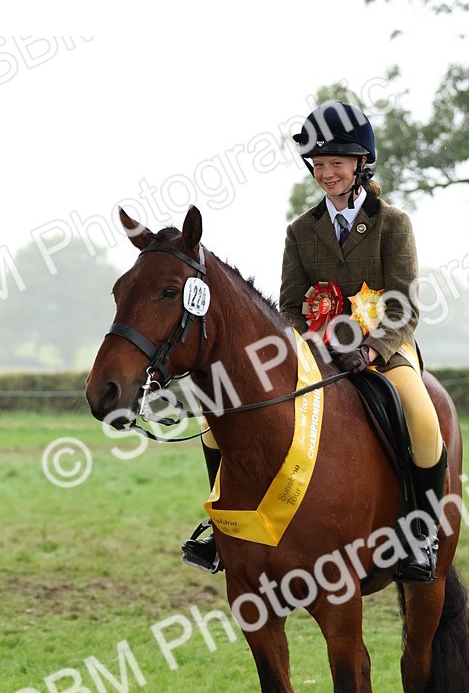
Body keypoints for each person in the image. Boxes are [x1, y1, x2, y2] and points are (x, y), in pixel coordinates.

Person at [182, 100, 447, 583]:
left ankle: (422, 531)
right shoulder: (301, 231)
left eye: (336, 164)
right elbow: (288, 306)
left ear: (360, 164)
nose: (326, 173)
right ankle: (222, 528)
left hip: (384, 347)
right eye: (319, 164)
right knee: (211, 422)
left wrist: (369, 349)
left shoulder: (393, 224)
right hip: (318, 352)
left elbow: (403, 306)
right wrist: (310, 345)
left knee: (424, 418)